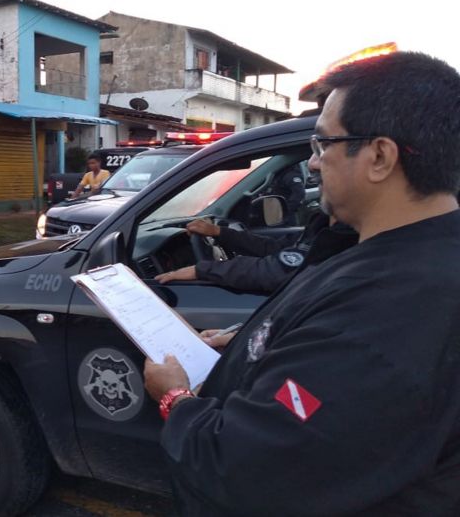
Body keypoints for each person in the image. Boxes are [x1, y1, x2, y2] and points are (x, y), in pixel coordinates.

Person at [144, 51, 460, 516]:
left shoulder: (392, 303)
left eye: (321, 146)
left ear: (378, 156)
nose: (312, 165)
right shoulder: (382, 252)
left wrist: (174, 397)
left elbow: (241, 469)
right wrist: (248, 342)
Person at [155, 213, 357, 293]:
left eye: (325, 147)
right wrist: (218, 232)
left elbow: (279, 271)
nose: (313, 164)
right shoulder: (324, 222)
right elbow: (278, 250)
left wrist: (202, 270)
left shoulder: (349, 232)